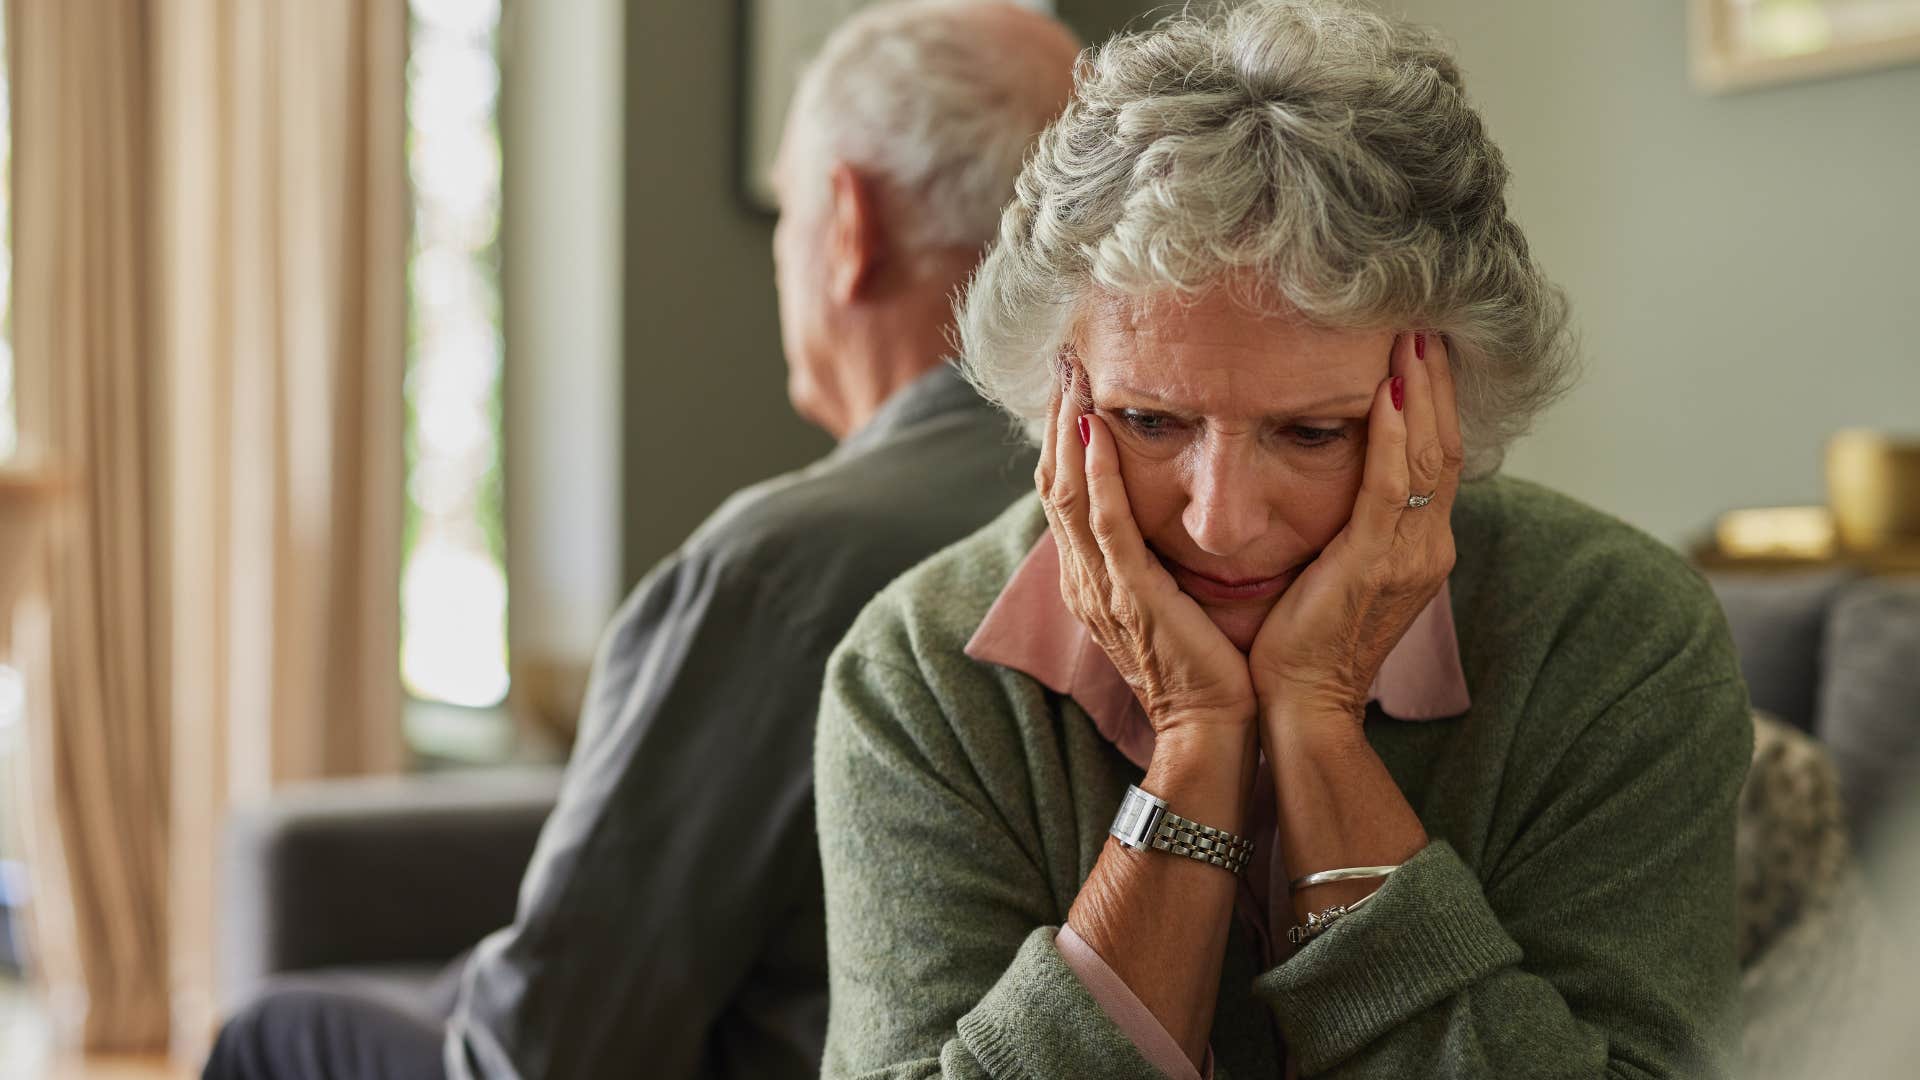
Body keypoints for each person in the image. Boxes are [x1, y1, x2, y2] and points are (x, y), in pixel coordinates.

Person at [814, 3, 1754, 1079]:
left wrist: (1317, 728)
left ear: (1450, 402)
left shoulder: (1618, 634)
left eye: (1313, 433)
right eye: (1149, 421)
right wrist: (1196, 744)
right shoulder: (921, 671)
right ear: (1056, 391)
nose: (1220, 520)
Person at [202, 3, 1079, 1078]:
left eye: (789, 212)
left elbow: (547, 1048)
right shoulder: (1160, 512)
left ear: (849, 227)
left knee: (274, 1032)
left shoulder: (779, 573)